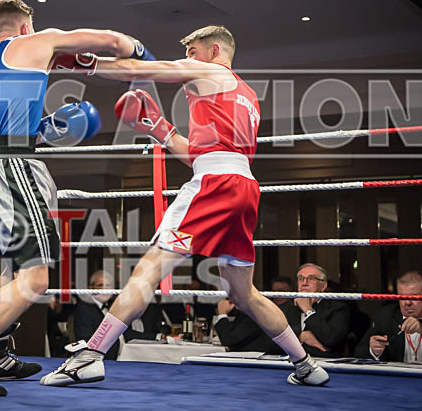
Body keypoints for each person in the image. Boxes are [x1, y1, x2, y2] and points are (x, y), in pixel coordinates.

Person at [40, 25, 328, 387]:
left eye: (192, 51)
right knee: (243, 293)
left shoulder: (209, 71)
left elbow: (143, 69)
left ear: (215, 50)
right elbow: (202, 155)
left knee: (148, 268)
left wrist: (83, 63)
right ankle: (305, 365)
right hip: (243, 187)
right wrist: (159, 129)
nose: (187, 58)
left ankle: (91, 356)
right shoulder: (247, 96)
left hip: (213, 186)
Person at [0, 0, 154, 398]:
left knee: (10, 269)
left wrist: (48, 128)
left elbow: (1, 123)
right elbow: (111, 41)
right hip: (11, 168)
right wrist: (142, 56)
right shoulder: (36, 41)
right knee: (36, 277)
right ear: (24, 27)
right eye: (32, 29)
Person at [354, 271, 422, 363]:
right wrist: (373, 351)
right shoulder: (385, 315)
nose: (407, 303)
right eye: (402, 297)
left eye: (414, 297)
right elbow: (358, 354)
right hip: (397, 378)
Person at [73, 270, 160, 360]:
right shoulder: (84, 309)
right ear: (91, 288)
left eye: (108, 286)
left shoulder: (112, 306)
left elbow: (124, 334)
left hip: (123, 356)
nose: (105, 289)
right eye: (100, 285)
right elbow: (86, 342)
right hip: (105, 360)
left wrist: (157, 336)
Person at [280, 264, 350, 358]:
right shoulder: (284, 308)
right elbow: (268, 340)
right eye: (301, 278)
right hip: (288, 363)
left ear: (323, 286)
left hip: (324, 363)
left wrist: (308, 310)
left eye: (311, 278)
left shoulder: (337, 308)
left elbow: (332, 339)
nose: (304, 283)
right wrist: (300, 336)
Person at [214, 276, 295, 353]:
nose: (277, 295)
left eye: (280, 291)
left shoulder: (258, 311)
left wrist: (222, 314)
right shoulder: (251, 309)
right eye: (274, 291)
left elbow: (229, 339)